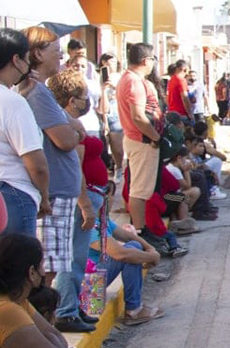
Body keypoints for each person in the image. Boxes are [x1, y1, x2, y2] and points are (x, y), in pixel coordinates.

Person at [20, 29, 91, 306]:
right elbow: (65, 141)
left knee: (59, 264)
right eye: (56, 50)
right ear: (37, 54)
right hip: (56, 193)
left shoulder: (41, 92)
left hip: (66, 191)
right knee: (48, 270)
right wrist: (74, 132)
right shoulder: (38, 94)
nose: (62, 56)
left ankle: (63, 313)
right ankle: (63, 314)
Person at [45, 70, 105, 333]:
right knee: (73, 257)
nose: (86, 101)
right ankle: (67, 310)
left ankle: (74, 306)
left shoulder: (67, 122)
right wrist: (86, 205)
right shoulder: (66, 127)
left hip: (91, 195)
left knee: (77, 257)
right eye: (82, 96)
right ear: (70, 99)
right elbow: (75, 168)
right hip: (81, 199)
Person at [0, 29, 50, 239]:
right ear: (16, 60)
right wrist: (44, 197)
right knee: (16, 267)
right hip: (14, 193)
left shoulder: (13, 99)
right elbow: (36, 164)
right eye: (27, 59)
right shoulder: (13, 103)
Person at [115, 43, 163, 242]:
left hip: (138, 139)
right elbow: (138, 117)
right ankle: (140, 230)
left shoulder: (129, 79)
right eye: (152, 59)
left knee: (140, 189)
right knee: (139, 190)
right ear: (146, 60)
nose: (153, 63)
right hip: (142, 140)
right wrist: (155, 137)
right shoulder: (134, 82)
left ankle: (141, 228)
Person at [90, 218, 164, 324]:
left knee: (134, 245)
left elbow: (128, 236)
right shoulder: (88, 224)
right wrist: (152, 257)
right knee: (130, 254)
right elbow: (120, 254)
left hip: (90, 287)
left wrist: (151, 249)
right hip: (88, 295)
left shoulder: (99, 217)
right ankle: (134, 310)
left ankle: (134, 308)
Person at [98, 54, 124, 174]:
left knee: (117, 147)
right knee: (104, 145)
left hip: (116, 111)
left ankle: (118, 167)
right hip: (102, 109)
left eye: (114, 62)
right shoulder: (98, 77)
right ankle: (109, 167)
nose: (111, 65)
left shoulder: (120, 77)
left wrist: (115, 88)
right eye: (108, 63)